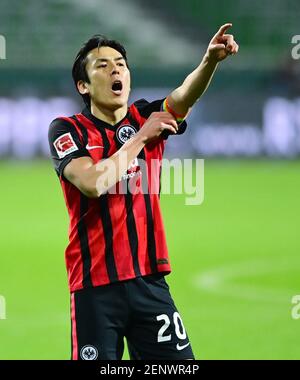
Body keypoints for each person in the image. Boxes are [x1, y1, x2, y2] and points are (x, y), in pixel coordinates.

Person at [48, 23, 238, 360]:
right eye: (102, 65)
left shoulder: (144, 115)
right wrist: (141, 138)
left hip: (149, 281)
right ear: (84, 85)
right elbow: (92, 183)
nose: (115, 69)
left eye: (120, 63)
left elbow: (182, 97)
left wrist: (210, 61)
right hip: (95, 287)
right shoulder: (68, 129)